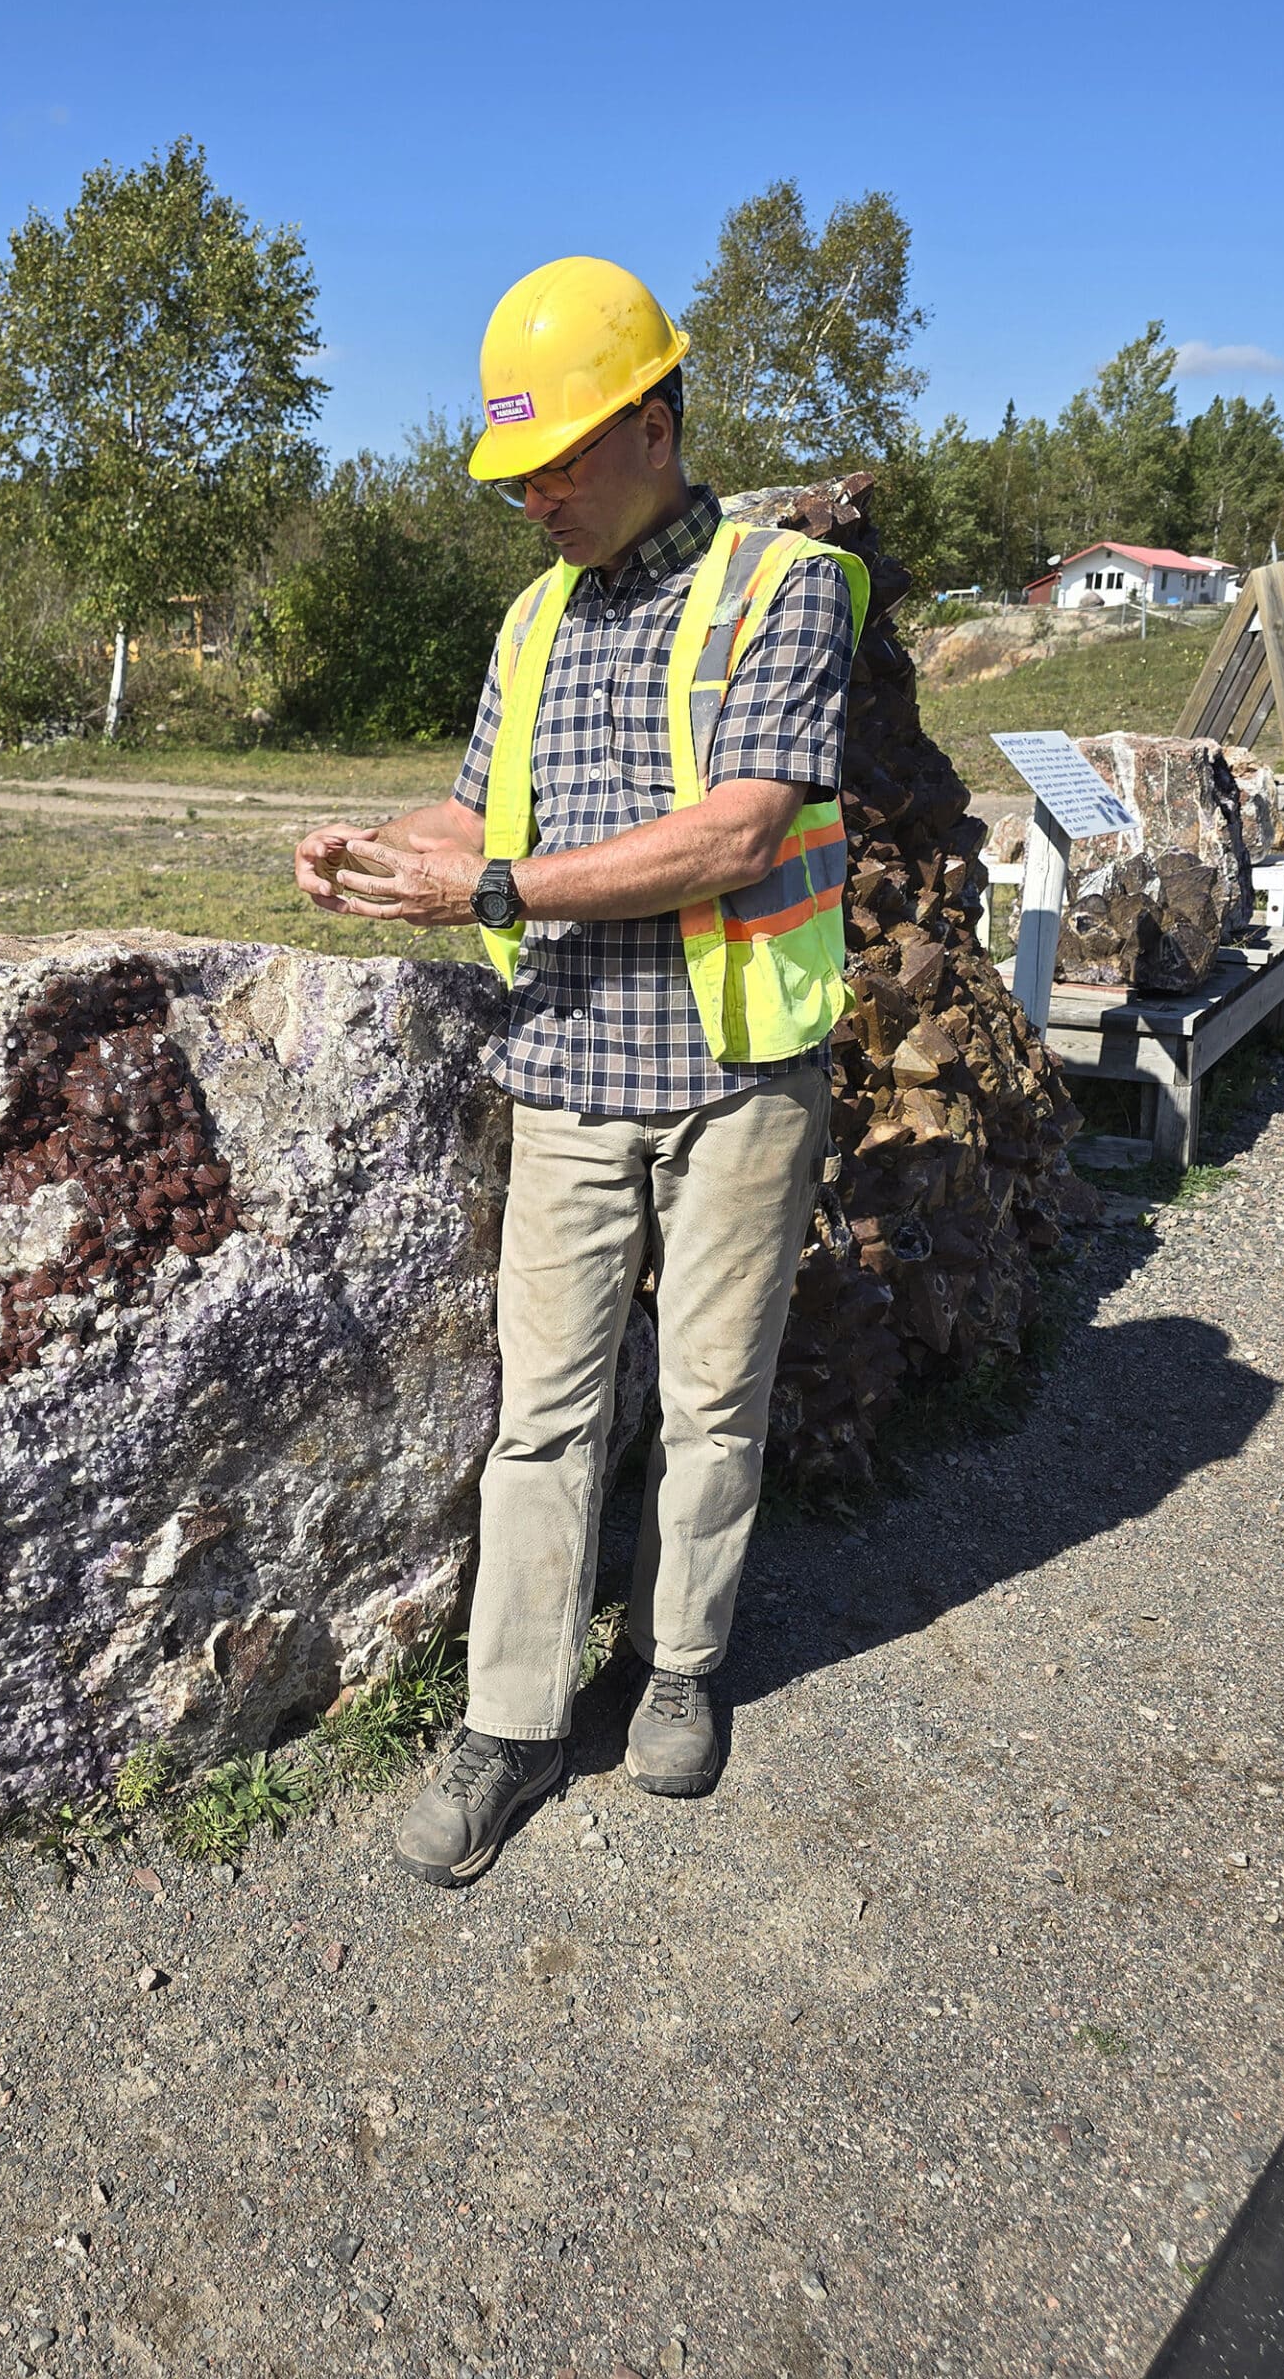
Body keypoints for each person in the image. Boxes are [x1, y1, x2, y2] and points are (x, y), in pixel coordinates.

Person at [293, 257, 865, 1888]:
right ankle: (514, 1719)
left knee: (709, 1402)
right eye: (515, 472)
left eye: (555, 461)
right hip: (566, 1067)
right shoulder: (532, 616)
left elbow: (740, 828)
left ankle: (678, 1671)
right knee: (539, 1420)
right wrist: (382, 853)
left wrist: (486, 891)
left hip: (741, 1067)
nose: (531, 497)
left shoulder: (784, 590)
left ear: (658, 426)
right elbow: (482, 828)